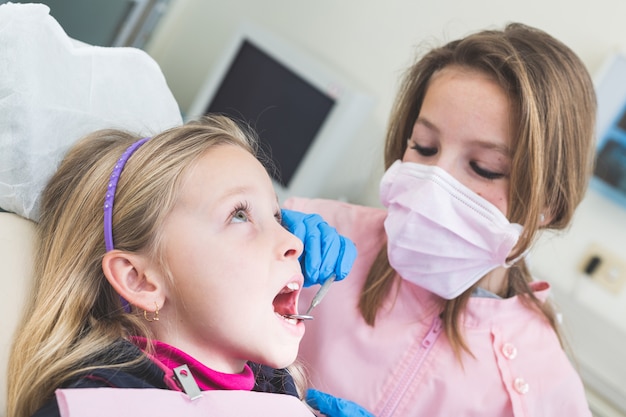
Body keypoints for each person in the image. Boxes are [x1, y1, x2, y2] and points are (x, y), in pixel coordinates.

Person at [283, 22, 596, 416]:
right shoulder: (311, 238)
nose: (433, 184)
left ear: (546, 202)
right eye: (424, 146)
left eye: (484, 167)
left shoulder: (543, 391)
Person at [6, 114, 359, 417]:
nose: (293, 242)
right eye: (239, 215)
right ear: (139, 279)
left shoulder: (276, 393)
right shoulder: (102, 404)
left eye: (276, 216)